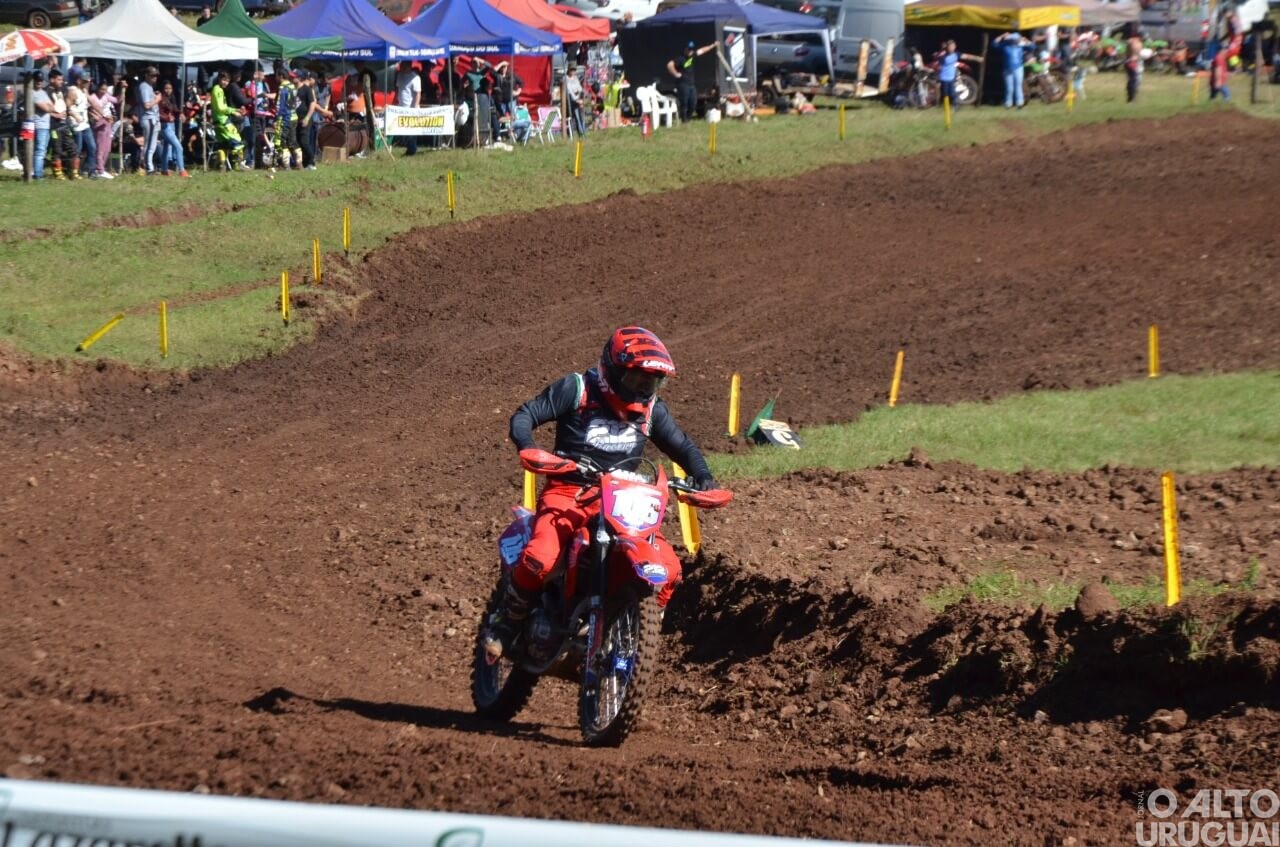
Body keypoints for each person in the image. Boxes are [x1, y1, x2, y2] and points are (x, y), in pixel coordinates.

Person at [483, 327, 718, 660]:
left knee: (669, 570)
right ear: (613, 369)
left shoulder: (652, 410)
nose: (642, 389)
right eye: (637, 379)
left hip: (624, 498)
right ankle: (507, 622)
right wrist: (530, 447)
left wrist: (704, 476)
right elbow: (526, 415)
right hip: (570, 490)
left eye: (650, 382)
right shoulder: (578, 389)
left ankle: (633, 632)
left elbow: (681, 445)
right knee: (541, 557)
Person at [667, 40, 716, 123]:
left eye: (692, 50)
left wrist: (712, 45)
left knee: (693, 103)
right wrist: (675, 73)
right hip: (682, 84)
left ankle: (688, 118)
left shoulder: (693, 55)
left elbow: (702, 50)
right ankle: (684, 120)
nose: (690, 51)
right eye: (689, 49)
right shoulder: (680, 58)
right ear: (685, 49)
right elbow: (669, 65)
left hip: (691, 84)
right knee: (684, 103)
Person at [45, 69, 80, 180]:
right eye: (59, 79)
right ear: (52, 79)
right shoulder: (46, 92)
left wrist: (73, 114)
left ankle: (73, 173)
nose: (61, 82)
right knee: (57, 150)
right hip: (54, 126)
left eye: (62, 79)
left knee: (73, 148)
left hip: (65, 124)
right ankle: (58, 173)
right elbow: (42, 109)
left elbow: (70, 100)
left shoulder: (62, 90)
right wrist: (54, 115)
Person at [210, 70, 246, 170]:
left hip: (217, 121)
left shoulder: (218, 89)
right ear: (219, 79)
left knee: (223, 144)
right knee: (237, 140)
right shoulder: (218, 90)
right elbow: (221, 107)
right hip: (222, 120)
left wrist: (236, 109)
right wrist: (233, 112)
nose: (226, 82)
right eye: (224, 80)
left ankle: (222, 165)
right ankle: (238, 164)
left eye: (228, 81)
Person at [935, 40, 981, 109]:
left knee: (952, 92)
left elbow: (966, 56)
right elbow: (937, 56)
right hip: (943, 77)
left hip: (952, 77)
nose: (951, 48)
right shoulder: (943, 55)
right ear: (947, 47)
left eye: (953, 46)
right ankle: (944, 106)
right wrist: (942, 49)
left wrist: (977, 58)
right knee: (945, 93)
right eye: (950, 47)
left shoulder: (956, 54)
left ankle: (956, 106)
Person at [158, 80, 189, 177]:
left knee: (166, 148)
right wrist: (168, 118)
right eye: (166, 88)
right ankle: (182, 170)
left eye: (170, 88)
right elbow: (158, 114)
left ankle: (164, 169)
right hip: (165, 126)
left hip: (170, 125)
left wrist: (180, 113)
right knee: (178, 147)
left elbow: (174, 108)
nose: (168, 90)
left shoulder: (170, 98)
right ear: (162, 89)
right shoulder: (160, 99)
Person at [994, 31, 1030, 108]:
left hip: (1018, 68)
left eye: (1015, 39)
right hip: (1007, 69)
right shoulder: (1005, 45)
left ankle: (1019, 102)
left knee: (1018, 86)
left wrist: (1026, 40)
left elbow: (1032, 47)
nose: (1014, 40)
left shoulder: (1021, 45)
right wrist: (1001, 36)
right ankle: (1008, 103)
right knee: (1009, 87)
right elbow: (994, 45)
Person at [88, 80, 116, 178]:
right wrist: (93, 116)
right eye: (102, 89)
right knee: (100, 148)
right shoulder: (92, 98)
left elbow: (117, 100)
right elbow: (88, 109)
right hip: (98, 124)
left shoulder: (106, 96)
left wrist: (122, 89)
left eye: (105, 89)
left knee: (107, 148)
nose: (103, 91)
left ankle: (101, 168)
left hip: (107, 123)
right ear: (97, 88)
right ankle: (99, 170)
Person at [68, 78, 95, 178]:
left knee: (92, 147)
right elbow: (68, 107)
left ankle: (91, 170)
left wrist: (101, 113)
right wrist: (75, 117)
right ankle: (74, 171)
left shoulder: (84, 91)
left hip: (85, 124)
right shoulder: (72, 91)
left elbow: (90, 103)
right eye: (85, 82)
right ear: (79, 81)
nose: (88, 83)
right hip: (76, 125)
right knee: (77, 149)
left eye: (88, 82)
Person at [137, 67, 162, 173]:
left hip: (153, 118)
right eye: (152, 75)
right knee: (149, 145)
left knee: (152, 145)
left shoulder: (149, 87)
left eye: (156, 75)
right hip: (149, 118)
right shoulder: (144, 87)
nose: (155, 78)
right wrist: (157, 100)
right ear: (146, 75)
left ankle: (149, 166)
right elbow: (146, 105)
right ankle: (149, 167)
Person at [394, 60, 421, 156]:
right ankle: (405, 146)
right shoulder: (399, 76)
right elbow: (398, 90)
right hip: (401, 107)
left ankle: (412, 150)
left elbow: (418, 94)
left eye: (402, 65)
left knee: (411, 131)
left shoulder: (415, 77)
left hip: (411, 108)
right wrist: (394, 103)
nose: (400, 67)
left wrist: (415, 107)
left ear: (408, 66)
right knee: (403, 129)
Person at [30, 72, 52, 180]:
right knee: (39, 150)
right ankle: (38, 174)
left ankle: (37, 172)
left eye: (41, 80)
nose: (39, 82)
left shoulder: (43, 92)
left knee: (42, 151)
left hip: (46, 125)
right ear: (33, 80)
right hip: (39, 125)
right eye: (37, 80)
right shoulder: (32, 93)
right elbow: (47, 108)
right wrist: (47, 106)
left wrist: (48, 106)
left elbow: (51, 106)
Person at [564, 64, 586, 136]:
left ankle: (583, 132)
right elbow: (569, 91)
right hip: (572, 101)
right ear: (568, 70)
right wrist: (576, 100)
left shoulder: (575, 78)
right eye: (572, 70)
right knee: (577, 116)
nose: (573, 71)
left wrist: (579, 98)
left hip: (579, 99)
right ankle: (581, 133)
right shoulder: (566, 79)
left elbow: (579, 89)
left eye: (574, 70)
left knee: (582, 116)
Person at [1125, 27, 1144, 103]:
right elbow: (1139, 54)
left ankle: (1129, 97)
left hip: (1127, 61)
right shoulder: (1139, 43)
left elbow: (1126, 52)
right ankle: (1133, 98)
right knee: (1134, 80)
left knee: (1130, 80)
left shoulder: (1129, 41)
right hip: (1134, 62)